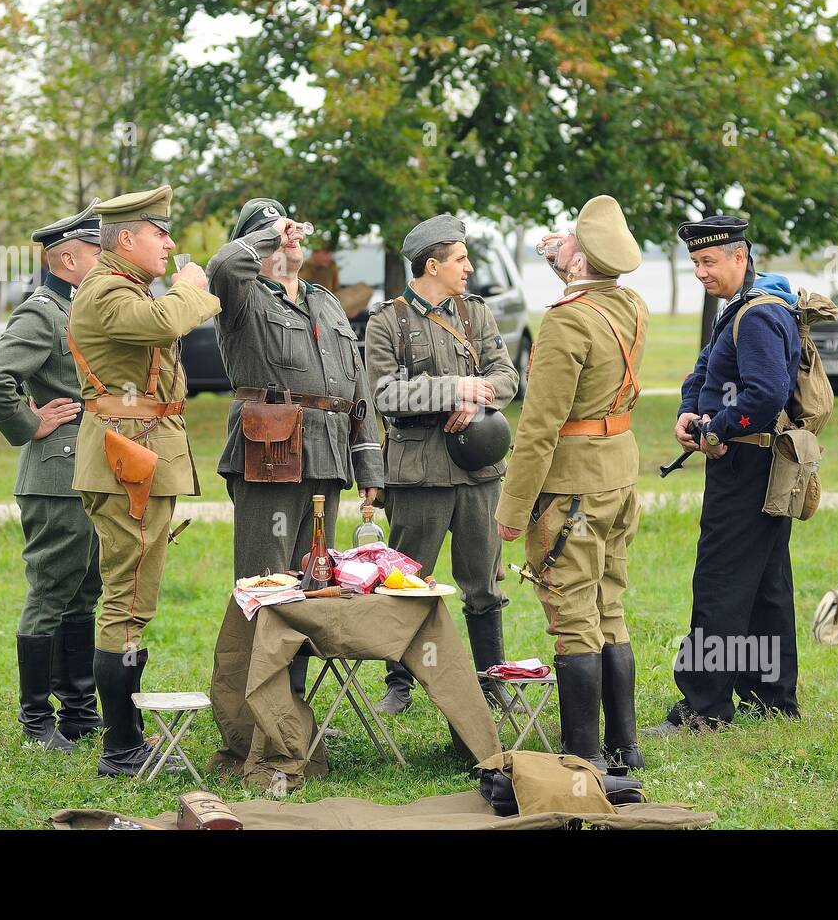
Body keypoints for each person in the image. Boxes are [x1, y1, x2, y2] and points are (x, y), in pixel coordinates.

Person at [204, 198, 383, 770]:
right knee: (264, 590)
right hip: (269, 454)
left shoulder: (326, 302)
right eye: (273, 235)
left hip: (327, 459)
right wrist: (267, 237)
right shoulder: (242, 296)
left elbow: (356, 389)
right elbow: (223, 266)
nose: (289, 241)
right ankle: (253, 729)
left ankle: (290, 715)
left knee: (310, 588)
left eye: (292, 232)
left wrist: (369, 468)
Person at [68, 184, 222, 776]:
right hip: (125, 462)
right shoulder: (106, 291)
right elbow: (164, 324)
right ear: (126, 238)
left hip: (138, 458)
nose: (170, 243)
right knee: (125, 603)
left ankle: (126, 739)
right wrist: (192, 287)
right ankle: (121, 748)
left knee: (135, 600)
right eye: (160, 233)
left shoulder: (122, 286)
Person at [494, 195, 647, 772]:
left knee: (572, 613)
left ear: (580, 263)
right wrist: (572, 259)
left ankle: (582, 755)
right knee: (609, 606)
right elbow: (594, 283)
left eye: (571, 251)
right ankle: (624, 748)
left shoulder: (565, 322)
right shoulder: (631, 305)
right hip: (617, 476)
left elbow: (539, 428)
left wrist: (513, 506)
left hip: (571, 489)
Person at [644, 214, 802, 735]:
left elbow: (766, 393)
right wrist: (691, 411)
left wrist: (715, 428)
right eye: (694, 263)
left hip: (745, 462)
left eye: (708, 261)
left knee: (720, 584)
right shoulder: (739, 308)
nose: (700, 272)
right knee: (765, 583)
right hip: (755, 460)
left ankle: (703, 708)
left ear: (740, 256)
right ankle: (771, 696)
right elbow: (704, 369)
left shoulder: (757, 315)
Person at [364, 214, 519, 715]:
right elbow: (385, 393)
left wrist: (478, 399)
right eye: (461, 260)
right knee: (408, 580)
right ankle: (399, 682)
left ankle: (492, 677)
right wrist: (454, 389)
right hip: (418, 472)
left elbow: (506, 374)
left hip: (477, 472)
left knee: (484, 582)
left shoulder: (476, 315)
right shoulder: (387, 321)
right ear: (432, 265)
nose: (470, 269)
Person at [0, 203, 104, 752]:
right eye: (98, 252)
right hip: (56, 476)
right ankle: (36, 722)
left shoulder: (78, 308)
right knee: (52, 592)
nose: (107, 259)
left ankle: (77, 710)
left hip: (90, 471)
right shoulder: (43, 312)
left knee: (84, 592)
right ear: (68, 258)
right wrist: (29, 423)